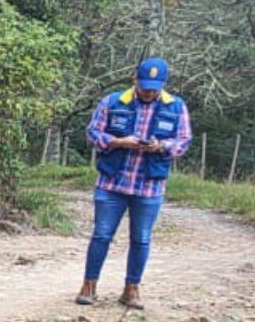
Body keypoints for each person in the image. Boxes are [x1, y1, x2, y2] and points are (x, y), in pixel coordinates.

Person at [76, 57, 191, 309]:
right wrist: (118, 142)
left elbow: (183, 141)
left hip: (149, 187)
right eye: (145, 86)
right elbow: (93, 132)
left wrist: (161, 146)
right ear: (135, 80)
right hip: (111, 183)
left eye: (154, 87)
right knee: (101, 235)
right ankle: (89, 285)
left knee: (141, 238)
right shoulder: (113, 101)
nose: (149, 92)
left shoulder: (176, 107)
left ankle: (131, 288)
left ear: (163, 84)